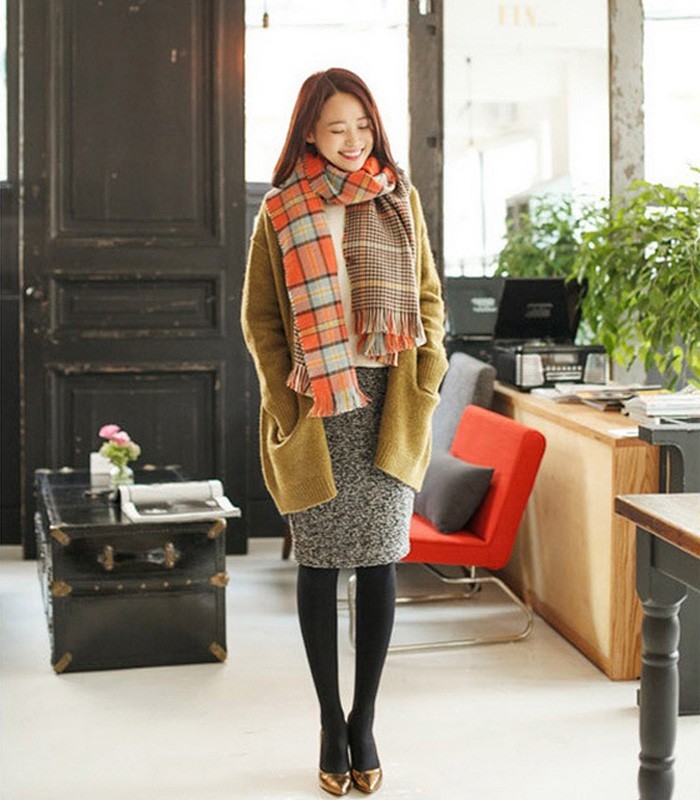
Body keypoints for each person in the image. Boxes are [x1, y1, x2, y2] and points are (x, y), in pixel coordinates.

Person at [241, 67, 448, 796]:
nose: (353, 140)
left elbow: (428, 297)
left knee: (381, 561)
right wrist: (286, 398)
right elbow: (261, 320)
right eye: (336, 128)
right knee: (321, 564)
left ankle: (366, 721)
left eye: (362, 125)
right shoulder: (281, 209)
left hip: (389, 402)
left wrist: (427, 372)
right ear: (309, 132)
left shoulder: (398, 197)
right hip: (316, 406)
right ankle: (331, 722)